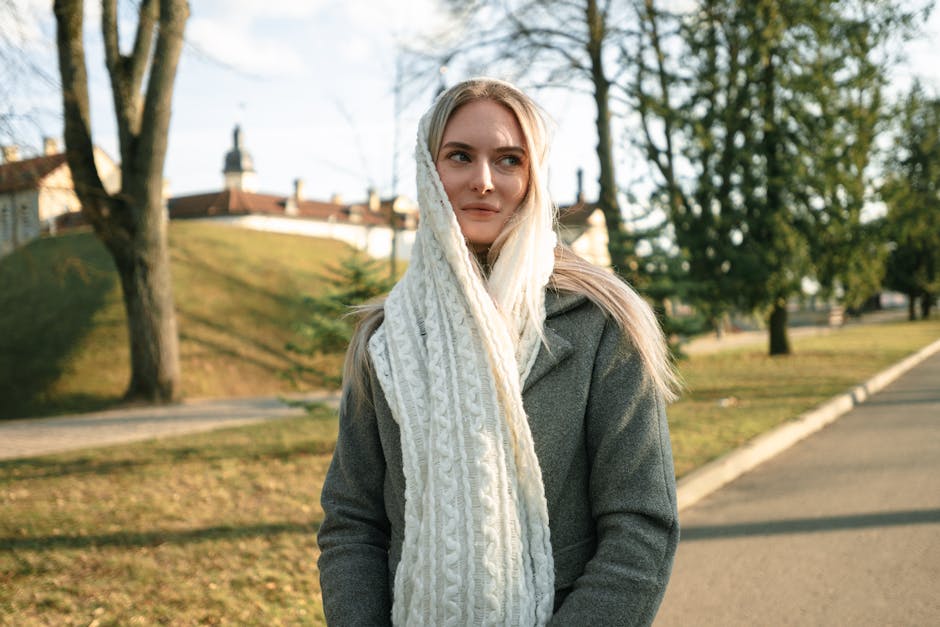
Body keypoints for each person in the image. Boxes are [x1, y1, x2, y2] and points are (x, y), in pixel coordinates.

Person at [317, 77, 680, 626]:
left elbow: (640, 526)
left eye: (509, 159)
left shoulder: (601, 321)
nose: (483, 181)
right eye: (460, 156)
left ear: (533, 177)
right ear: (429, 168)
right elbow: (352, 523)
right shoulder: (386, 340)